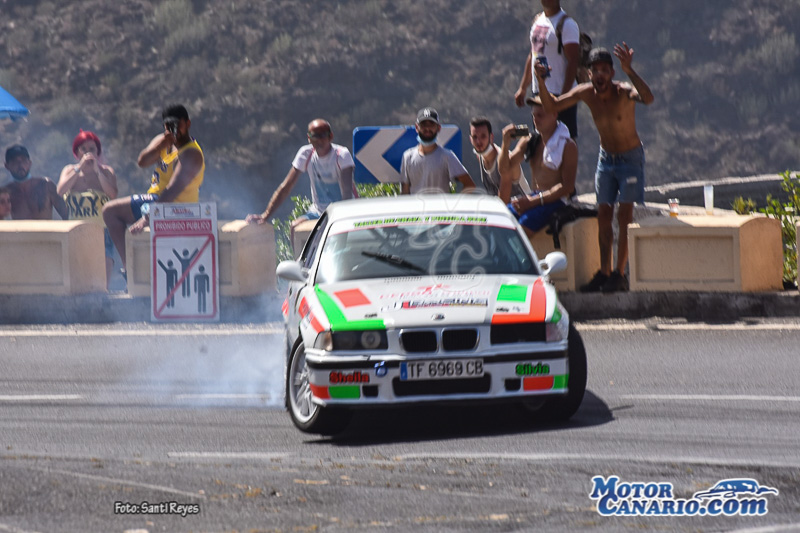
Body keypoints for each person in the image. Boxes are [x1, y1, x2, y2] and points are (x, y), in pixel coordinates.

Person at [536, 44, 654, 292]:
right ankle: (604, 272)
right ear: (589, 74)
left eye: (604, 70)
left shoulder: (623, 91)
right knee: (603, 216)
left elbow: (648, 98)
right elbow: (552, 106)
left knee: (624, 216)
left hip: (630, 160)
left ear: (612, 73)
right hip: (606, 159)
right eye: (595, 70)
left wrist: (629, 71)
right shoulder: (586, 92)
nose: (600, 75)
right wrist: (541, 81)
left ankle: (619, 274)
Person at [103, 104, 205, 274]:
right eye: (169, 126)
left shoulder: (190, 153)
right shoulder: (164, 142)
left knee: (111, 211)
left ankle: (130, 269)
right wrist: (161, 144)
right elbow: (142, 162)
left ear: (188, 124)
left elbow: (173, 190)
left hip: (177, 207)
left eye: (178, 125)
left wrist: (148, 218)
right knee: (109, 212)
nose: (174, 130)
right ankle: (129, 267)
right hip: (156, 200)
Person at [246, 119, 357, 240]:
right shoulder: (306, 154)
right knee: (294, 227)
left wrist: (339, 219)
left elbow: (346, 192)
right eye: (315, 136)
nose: (319, 140)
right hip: (319, 211)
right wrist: (266, 215)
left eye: (323, 135)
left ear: (330, 136)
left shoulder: (341, 155)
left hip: (343, 210)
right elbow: (286, 186)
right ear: (309, 138)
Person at [498, 96, 577, 237]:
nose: (535, 120)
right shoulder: (530, 140)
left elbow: (567, 187)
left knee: (522, 227)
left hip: (554, 201)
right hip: (534, 197)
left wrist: (532, 202)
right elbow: (504, 169)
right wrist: (505, 144)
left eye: (540, 115)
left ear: (554, 114)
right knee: (500, 220)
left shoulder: (567, 145)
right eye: (534, 115)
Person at [57, 130, 119, 288]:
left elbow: (112, 194)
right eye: (83, 149)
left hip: (102, 230)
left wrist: (97, 171)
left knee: (103, 280)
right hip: (75, 230)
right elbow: (60, 191)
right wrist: (79, 168)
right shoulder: (69, 170)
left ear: (98, 152)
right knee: (77, 279)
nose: (87, 153)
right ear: (77, 152)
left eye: (92, 149)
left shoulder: (106, 171)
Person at [514, 0, 581, 138]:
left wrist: (563, 98)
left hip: (558, 93)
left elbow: (573, 61)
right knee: (541, 141)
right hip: (539, 92)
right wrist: (523, 87)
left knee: (564, 140)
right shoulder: (538, 21)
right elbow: (533, 54)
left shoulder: (567, 24)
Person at [400, 107, 475, 194]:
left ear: (438, 128)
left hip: (440, 203)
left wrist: (455, 202)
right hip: (416, 203)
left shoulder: (447, 156)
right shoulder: (407, 156)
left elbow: (469, 185)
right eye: (423, 124)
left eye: (431, 124)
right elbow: (405, 191)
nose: (427, 128)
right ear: (417, 127)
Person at [468, 116, 531, 203]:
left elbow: (503, 201)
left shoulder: (506, 160)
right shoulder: (480, 157)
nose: (478, 142)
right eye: (475, 137)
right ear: (470, 139)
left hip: (524, 208)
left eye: (483, 136)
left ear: (491, 137)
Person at [3, 145, 68, 220]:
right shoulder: (6, 193)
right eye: (15, 161)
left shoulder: (46, 185)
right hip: (21, 228)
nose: (20, 165)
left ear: (29, 163)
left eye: (24, 160)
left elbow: (67, 214)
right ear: (7, 166)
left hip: (45, 228)